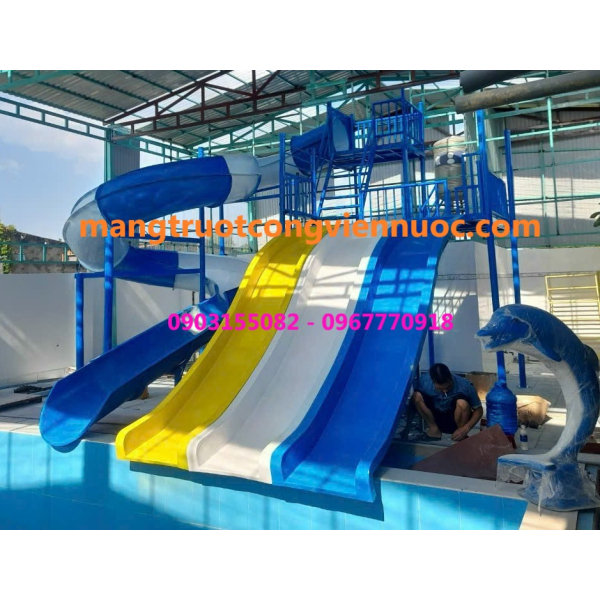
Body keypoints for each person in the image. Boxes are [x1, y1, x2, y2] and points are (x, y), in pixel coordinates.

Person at [401, 363, 483, 442]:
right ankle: (434, 431)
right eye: (440, 389)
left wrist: (465, 429)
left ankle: (460, 434)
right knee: (416, 396)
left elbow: (479, 410)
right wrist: (407, 427)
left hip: (453, 418)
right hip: (435, 416)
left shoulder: (465, 386)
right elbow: (413, 404)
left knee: (462, 403)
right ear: (433, 381)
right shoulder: (424, 381)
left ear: (450, 377)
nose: (445, 391)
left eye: (448, 387)